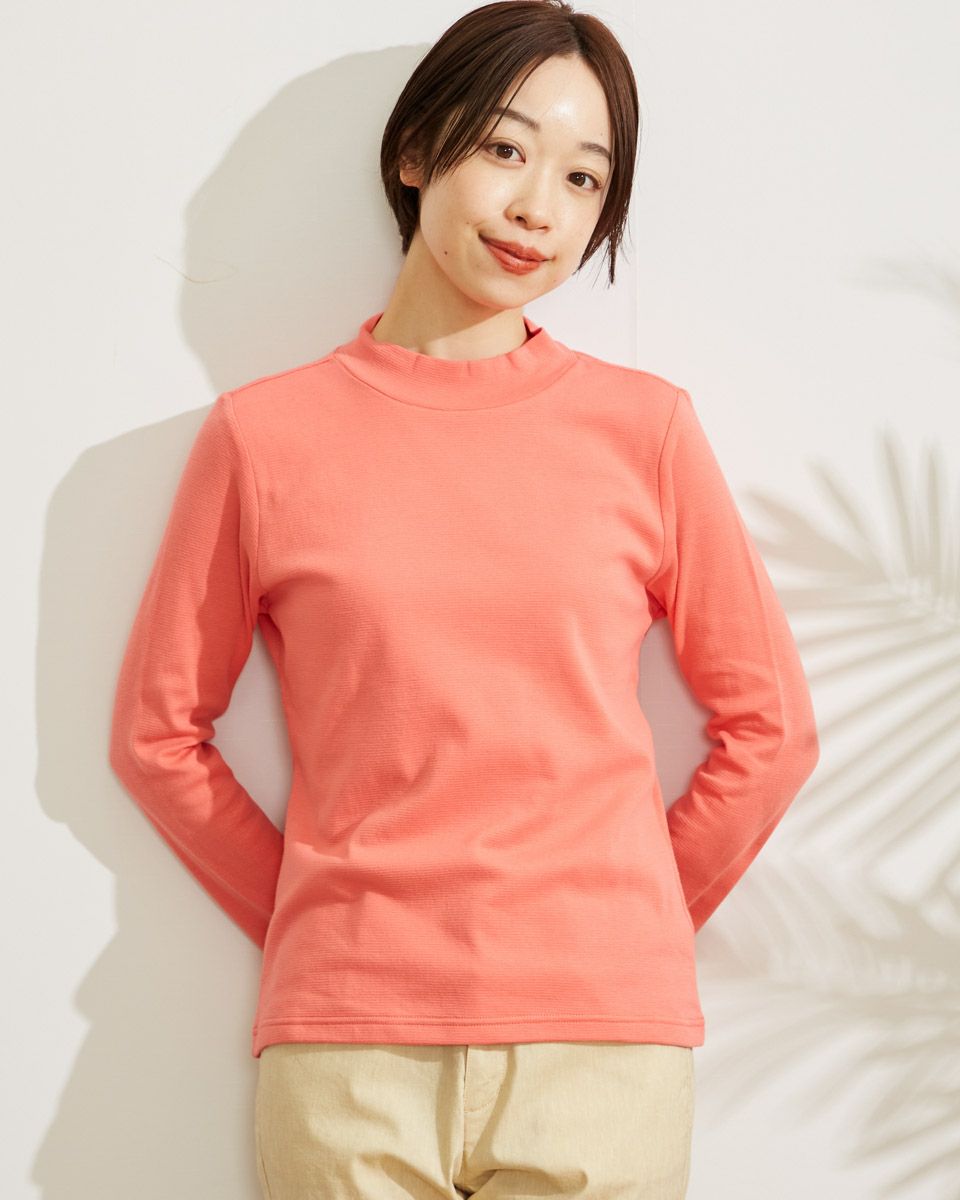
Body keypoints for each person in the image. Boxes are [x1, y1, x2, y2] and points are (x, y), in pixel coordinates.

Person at [108, 1, 820, 1196]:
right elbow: (157, 735)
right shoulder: (265, 438)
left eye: (584, 177)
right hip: (349, 1048)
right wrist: (319, 923)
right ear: (414, 150)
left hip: (601, 1052)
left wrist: (633, 920)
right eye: (504, 148)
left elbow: (773, 732)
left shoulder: (645, 432)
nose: (540, 206)